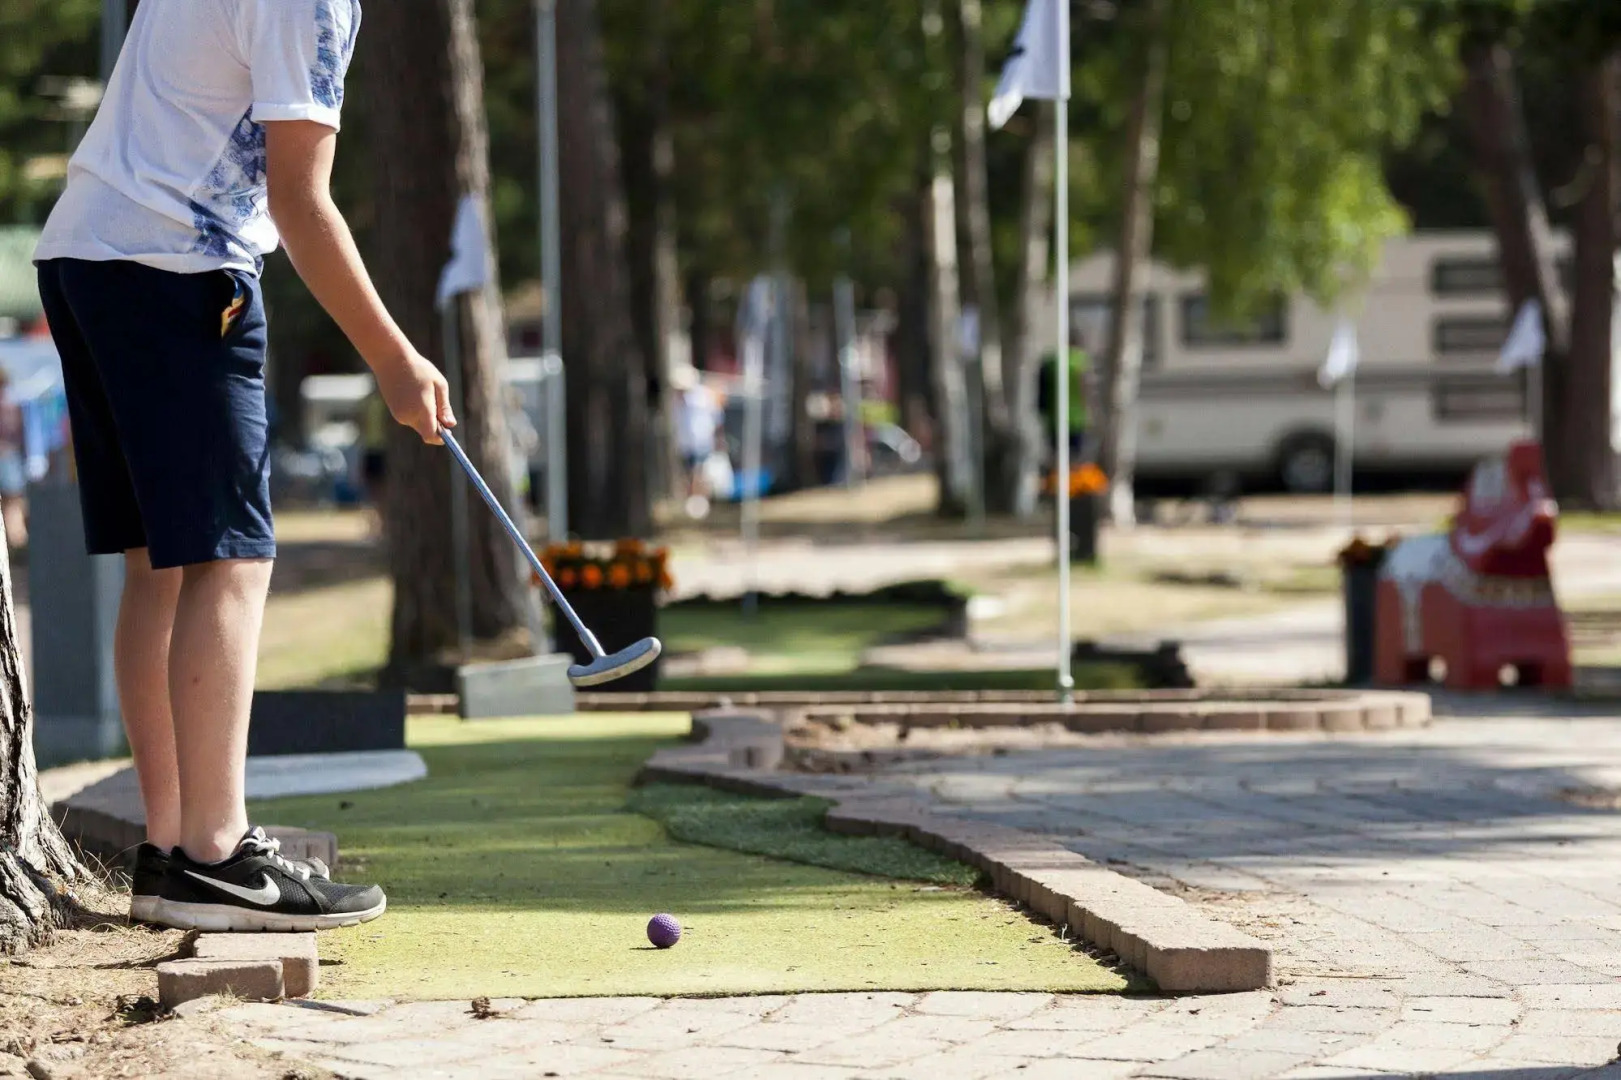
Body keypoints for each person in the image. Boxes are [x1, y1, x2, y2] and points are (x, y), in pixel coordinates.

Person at [32, 0, 451, 932]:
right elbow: (302, 200)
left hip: (85, 257)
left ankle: (174, 854)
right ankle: (218, 854)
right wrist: (392, 358)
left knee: (164, 562)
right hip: (177, 271)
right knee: (232, 559)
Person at [672, 366, 723, 518]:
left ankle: (702, 503)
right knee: (687, 475)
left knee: (700, 474)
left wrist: (717, 438)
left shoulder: (702, 397)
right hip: (684, 444)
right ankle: (691, 504)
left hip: (702, 442)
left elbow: (716, 417)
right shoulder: (676, 401)